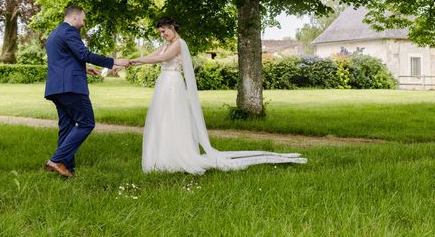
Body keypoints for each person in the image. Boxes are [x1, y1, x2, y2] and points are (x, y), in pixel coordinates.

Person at [120, 17, 307, 175]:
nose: (162, 34)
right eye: (160, 32)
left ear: (172, 27)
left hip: (173, 84)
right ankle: (163, 155)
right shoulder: (165, 44)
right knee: (162, 119)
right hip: (163, 83)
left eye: (164, 31)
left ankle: (176, 155)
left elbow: (160, 59)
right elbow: (151, 56)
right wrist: (125, 63)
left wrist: (134, 60)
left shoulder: (179, 44)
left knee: (172, 117)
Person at [44, 6, 128, 177]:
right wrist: (113, 62)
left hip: (56, 88)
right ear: (74, 17)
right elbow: (84, 54)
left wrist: (85, 69)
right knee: (86, 123)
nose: (83, 23)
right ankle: (55, 160)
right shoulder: (69, 31)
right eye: (83, 19)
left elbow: (64, 60)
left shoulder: (54, 34)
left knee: (67, 126)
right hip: (71, 87)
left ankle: (67, 170)